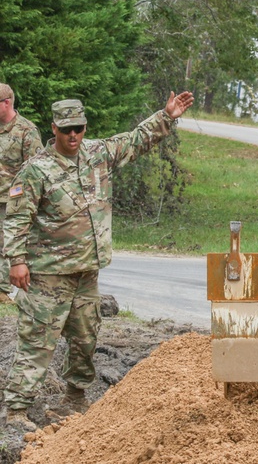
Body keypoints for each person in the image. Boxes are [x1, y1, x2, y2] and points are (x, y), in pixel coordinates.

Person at [1, 91, 194, 431]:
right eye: (66, 130)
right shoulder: (37, 170)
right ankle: (16, 411)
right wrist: (16, 261)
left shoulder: (97, 155)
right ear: (54, 129)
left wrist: (167, 115)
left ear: (85, 127)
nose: (73, 136)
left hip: (87, 273)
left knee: (86, 339)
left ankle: (73, 399)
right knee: (37, 342)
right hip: (48, 275)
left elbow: (135, 140)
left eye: (78, 128)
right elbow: (16, 219)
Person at [0, 83, 43, 297]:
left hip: (12, 200)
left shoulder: (27, 130)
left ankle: (3, 291)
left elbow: (36, 169)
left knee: (7, 243)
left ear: (6, 103)